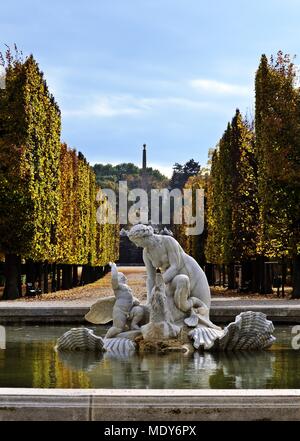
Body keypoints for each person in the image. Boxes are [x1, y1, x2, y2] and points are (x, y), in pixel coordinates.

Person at [127, 225, 211, 322]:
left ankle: (192, 309)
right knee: (168, 305)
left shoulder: (168, 241)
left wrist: (159, 285)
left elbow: (175, 266)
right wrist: (149, 300)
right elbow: (150, 278)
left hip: (191, 274)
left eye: (137, 242)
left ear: (144, 237)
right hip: (173, 279)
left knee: (201, 310)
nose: (137, 245)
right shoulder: (146, 253)